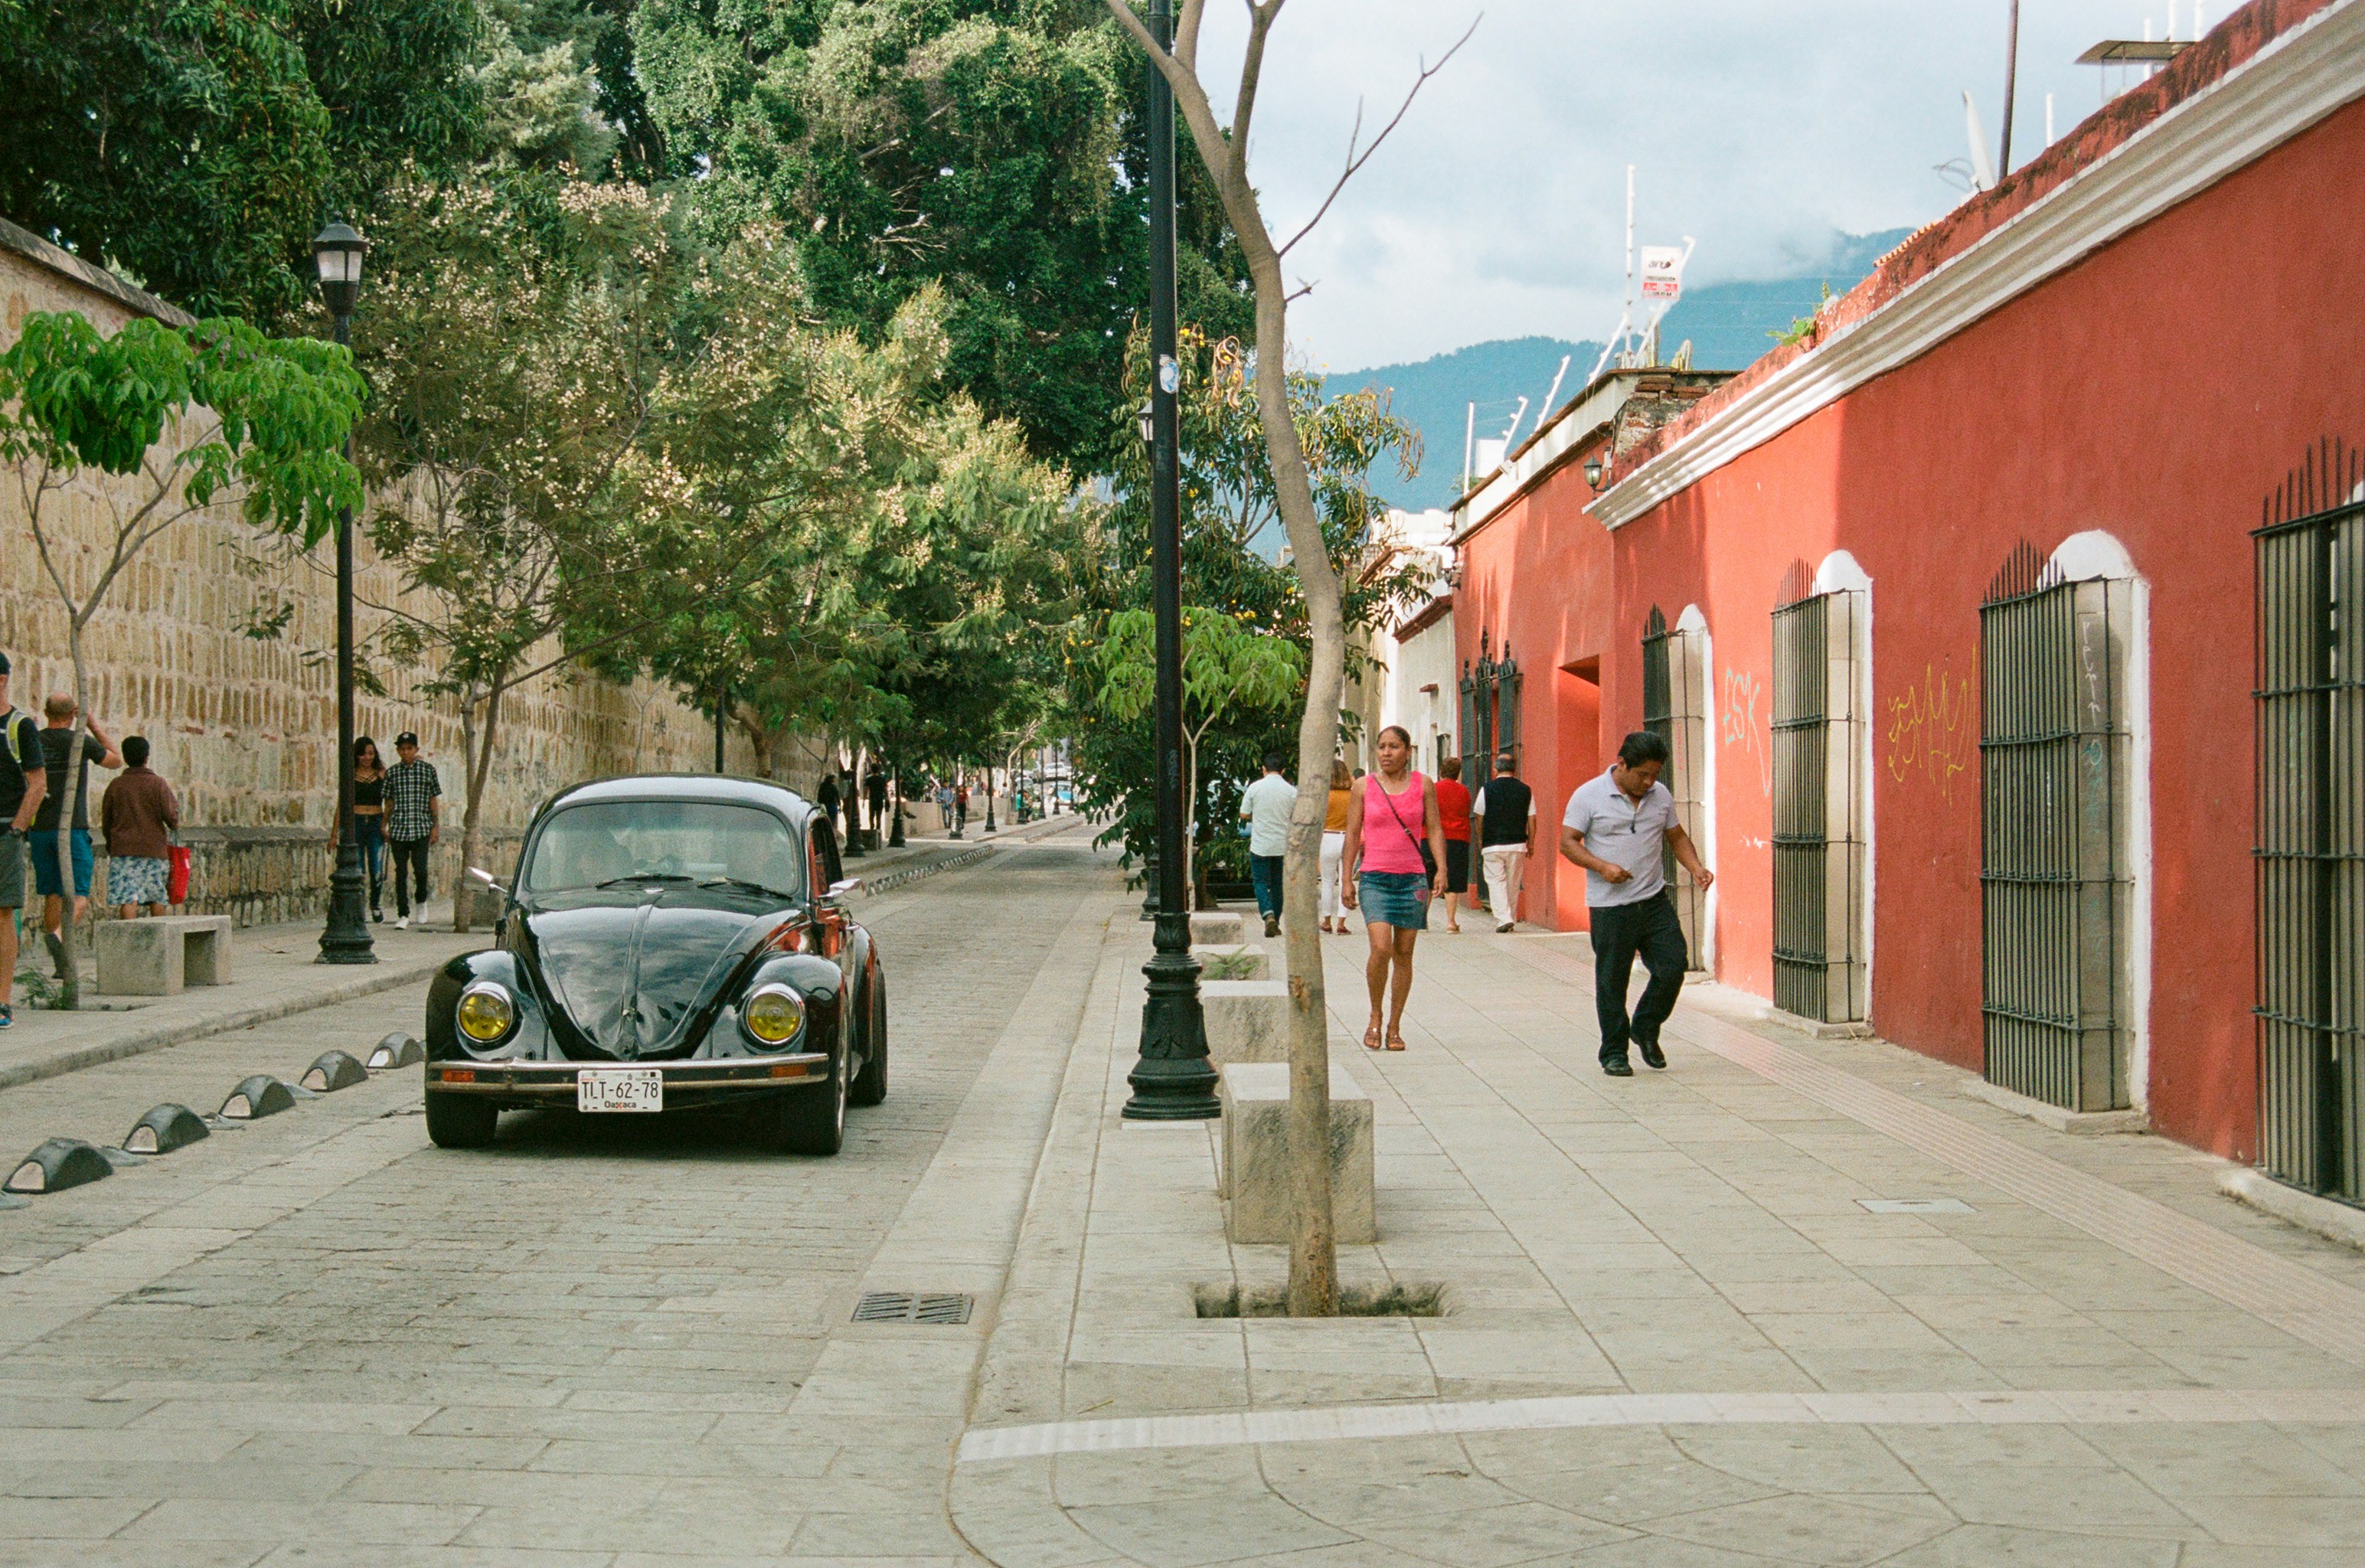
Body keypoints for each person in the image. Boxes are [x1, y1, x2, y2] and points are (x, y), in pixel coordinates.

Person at [1561, 730, 1714, 1076]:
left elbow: (1675, 835)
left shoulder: (1660, 796)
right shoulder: (1588, 796)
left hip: (1653, 899)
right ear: (1622, 764)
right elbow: (1568, 842)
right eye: (1642, 774)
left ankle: (1645, 1026)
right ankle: (1614, 1052)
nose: (1648, 782)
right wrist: (1602, 867)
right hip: (1610, 907)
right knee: (1612, 981)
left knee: (1674, 965)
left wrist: (1696, 868)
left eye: (1654, 775)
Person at [1339, 725, 1447, 1052]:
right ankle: (1374, 1013)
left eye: (1394, 747)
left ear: (1407, 751)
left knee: (1404, 954)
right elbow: (1352, 832)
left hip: (1413, 879)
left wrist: (1441, 869)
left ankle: (1395, 1025)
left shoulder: (1423, 784)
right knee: (1381, 948)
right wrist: (1346, 878)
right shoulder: (1363, 786)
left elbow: (1435, 828)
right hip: (1375, 878)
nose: (1386, 753)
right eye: (1381, 746)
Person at [34, 694, 122, 977]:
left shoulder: (34, 740)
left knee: (51, 893)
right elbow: (115, 761)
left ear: (46, 712)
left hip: (39, 829)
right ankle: (59, 935)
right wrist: (92, 724)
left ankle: (59, 959)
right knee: (80, 893)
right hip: (71, 827)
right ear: (73, 714)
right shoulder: (79, 741)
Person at [0, 654, 48, 1029]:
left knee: (2, 915)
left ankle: (2, 1003)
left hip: (5, 831)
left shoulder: (20, 727)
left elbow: (38, 783)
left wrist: (16, 829)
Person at [101, 736, 180, 919]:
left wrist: (111, 844)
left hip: (123, 850)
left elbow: (107, 820)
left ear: (126, 758)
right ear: (147, 756)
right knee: (157, 895)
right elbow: (172, 818)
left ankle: (129, 941)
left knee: (128, 897)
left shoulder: (116, 786)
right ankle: (159, 940)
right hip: (154, 849)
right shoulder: (158, 784)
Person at [1473, 750, 1537, 933]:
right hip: (1517, 843)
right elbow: (1532, 818)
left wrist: (1481, 839)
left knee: (1495, 881)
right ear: (1514, 770)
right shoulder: (1525, 790)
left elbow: (1479, 815)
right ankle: (1510, 917)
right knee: (1513, 882)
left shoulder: (1487, 789)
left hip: (1492, 843)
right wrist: (1531, 842)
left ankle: (1504, 918)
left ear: (1495, 770)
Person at [384, 730, 442, 929]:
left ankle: (421, 902)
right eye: (402, 749)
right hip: (399, 828)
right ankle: (403, 913)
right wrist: (384, 824)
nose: (406, 752)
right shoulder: (392, 773)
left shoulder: (427, 771)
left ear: (416, 749)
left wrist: (435, 826)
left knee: (421, 870)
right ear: (398, 751)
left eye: (409, 749)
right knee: (400, 872)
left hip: (420, 827)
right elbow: (389, 802)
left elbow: (432, 800)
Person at [1237, 751, 1295, 939]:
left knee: (1260, 882)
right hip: (1282, 845)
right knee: (1278, 884)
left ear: (1263, 769)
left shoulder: (1254, 788)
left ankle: (1267, 914)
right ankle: (1275, 920)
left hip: (1260, 845)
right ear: (1283, 770)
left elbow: (1244, 814)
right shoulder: (1292, 791)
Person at [348, 737, 388, 921]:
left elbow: (389, 802)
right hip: (356, 821)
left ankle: (375, 903)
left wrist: (384, 824)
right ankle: (359, 906)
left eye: (371, 753)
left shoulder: (380, 775)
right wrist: (335, 834)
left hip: (374, 821)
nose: (367, 757)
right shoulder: (351, 775)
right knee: (358, 868)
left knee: (376, 866)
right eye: (363, 754)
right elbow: (343, 804)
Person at [1434, 756, 1474, 934]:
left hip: (1433, 838)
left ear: (1441, 772)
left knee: (1428, 879)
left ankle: (1421, 920)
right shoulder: (1464, 791)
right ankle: (1451, 922)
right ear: (1458, 773)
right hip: (1458, 838)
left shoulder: (1433, 789)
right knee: (1454, 881)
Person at [1319, 759, 1352, 935]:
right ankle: (1341, 922)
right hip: (1347, 838)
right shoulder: (1352, 795)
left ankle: (1326, 920)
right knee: (1345, 881)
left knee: (1327, 881)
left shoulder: (1325, 796)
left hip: (1328, 836)